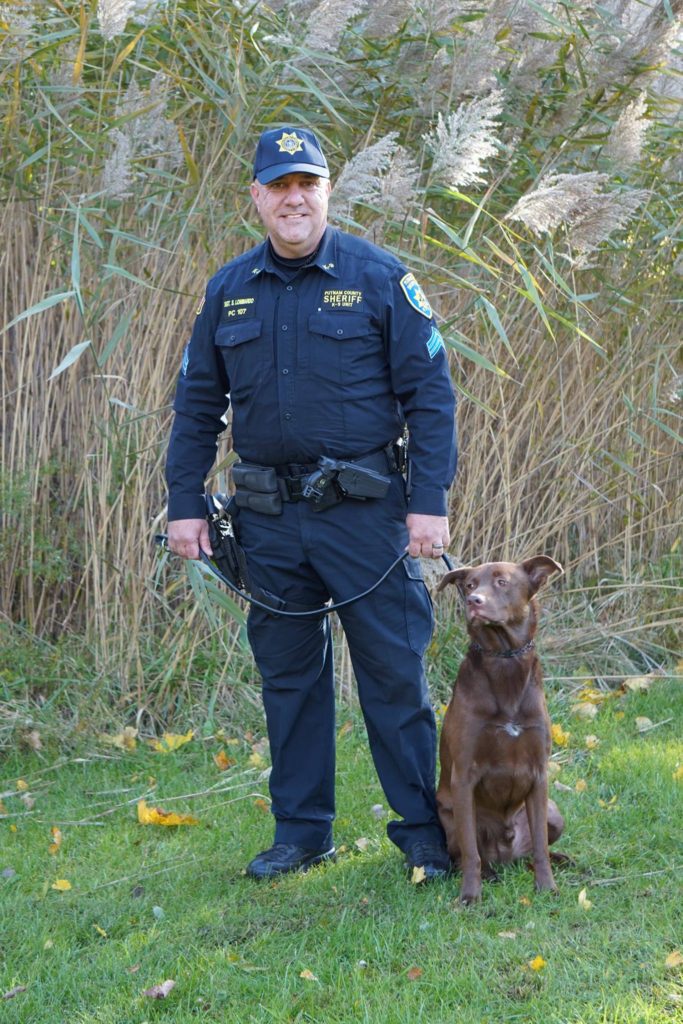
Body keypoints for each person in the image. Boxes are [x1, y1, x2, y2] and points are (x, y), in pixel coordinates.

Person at [165, 126, 457, 880]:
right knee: (288, 680)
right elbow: (197, 406)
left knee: (393, 675)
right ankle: (302, 832)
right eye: (279, 186)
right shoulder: (228, 290)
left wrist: (428, 504)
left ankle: (425, 830)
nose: (294, 198)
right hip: (266, 520)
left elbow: (429, 396)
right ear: (257, 198)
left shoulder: (378, 276)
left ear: (326, 191)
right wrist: (184, 503)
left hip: (365, 514)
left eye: (308, 184)